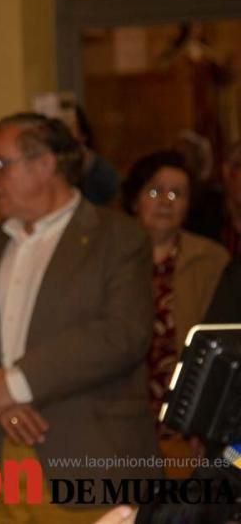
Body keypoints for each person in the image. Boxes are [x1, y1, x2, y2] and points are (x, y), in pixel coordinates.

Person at [0, 112, 158, 522]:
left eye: (0, 164)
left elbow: (122, 334)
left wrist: (17, 383)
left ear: (45, 164)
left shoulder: (118, 238)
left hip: (88, 460)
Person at [121, 150, 229, 473]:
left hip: (187, 418)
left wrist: (208, 424)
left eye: (176, 193)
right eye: (154, 191)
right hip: (122, 421)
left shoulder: (212, 260)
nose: (165, 201)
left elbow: (223, 347)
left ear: (188, 205)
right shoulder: (110, 256)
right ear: (134, 200)